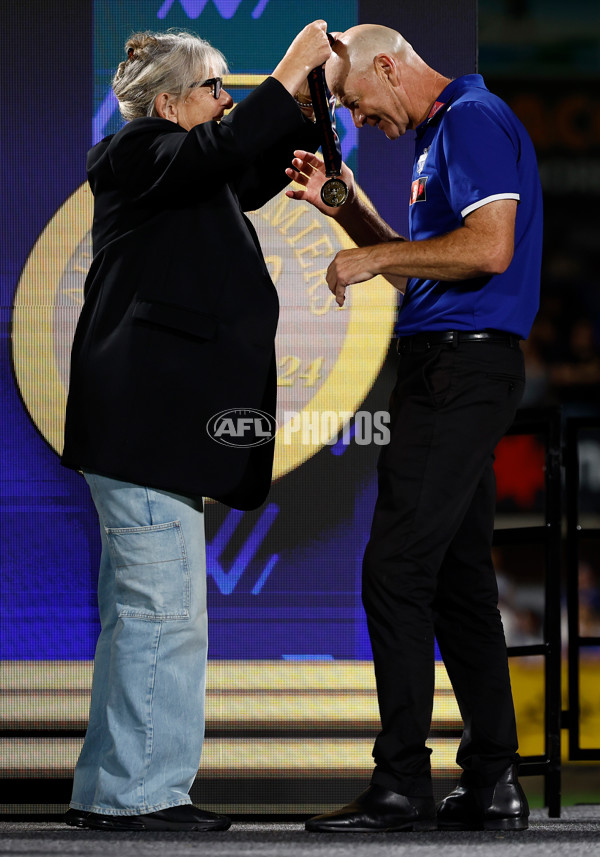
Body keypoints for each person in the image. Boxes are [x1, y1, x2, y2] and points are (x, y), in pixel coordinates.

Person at [60, 23, 331, 831]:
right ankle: (138, 793)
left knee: (145, 611)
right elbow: (222, 152)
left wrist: (315, 100)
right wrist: (286, 71)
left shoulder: (184, 174)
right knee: (162, 614)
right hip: (145, 427)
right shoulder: (133, 152)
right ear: (169, 102)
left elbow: (239, 167)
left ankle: (113, 786)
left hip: (153, 432)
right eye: (215, 90)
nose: (225, 104)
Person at [286, 24, 542, 832]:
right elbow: (417, 257)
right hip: (451, 364)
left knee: (396, 568)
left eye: (359, 104)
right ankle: (493, 780)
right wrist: (342, 200)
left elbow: (490, 248)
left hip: (459, 372)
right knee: (459, 576)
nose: (363, 122)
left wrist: (373, 263)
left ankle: (399, 784)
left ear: (389, 66)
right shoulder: (442, 130)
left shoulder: (470, 117)